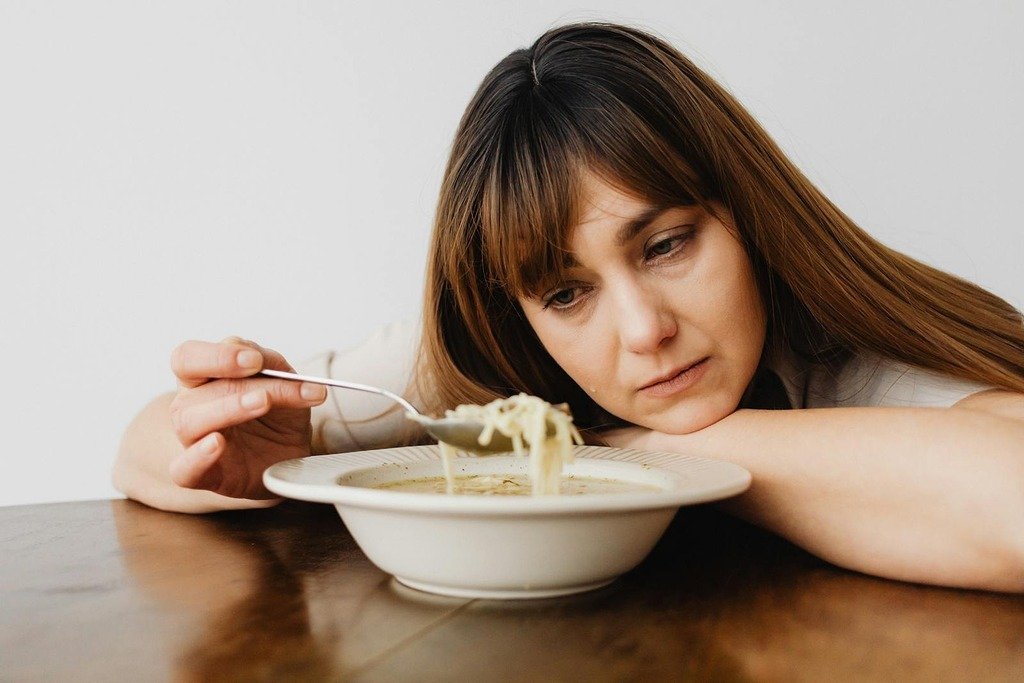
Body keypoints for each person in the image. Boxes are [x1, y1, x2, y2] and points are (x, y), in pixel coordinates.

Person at [113, 22, 1024, 592]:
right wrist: (214, 443)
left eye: (666, 245)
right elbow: (147, 446)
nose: (642, 330)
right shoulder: (488, 370)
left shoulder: (853, 354)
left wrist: (618, 451)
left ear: (746, 215)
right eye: (566, 292)